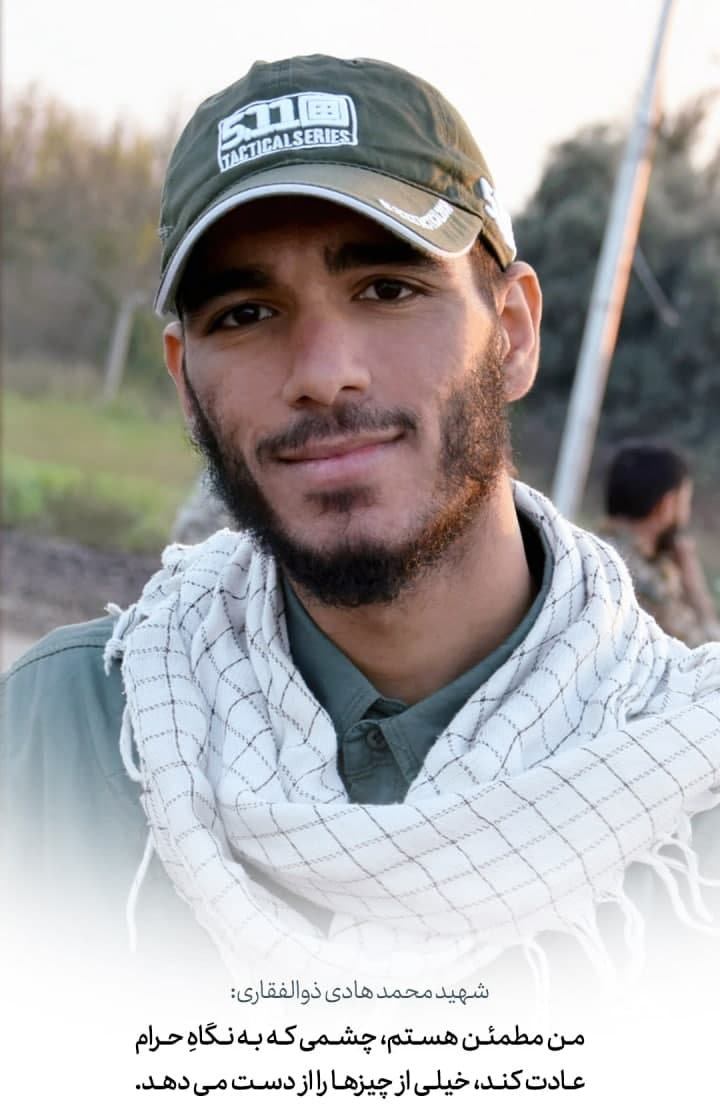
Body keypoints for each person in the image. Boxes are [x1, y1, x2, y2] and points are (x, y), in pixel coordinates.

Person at [3, 54, 720, 986]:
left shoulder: (689, 777)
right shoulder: (62, 737)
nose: (322, 371)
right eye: (246, 312)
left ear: (512, 331)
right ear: (186, 387)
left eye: (387, 289)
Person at [600, 442, 720, 647]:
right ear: (666, 506)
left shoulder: (596, 549)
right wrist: (694, 587)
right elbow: (706, 653)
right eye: (685, 502)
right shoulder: (647, 581)